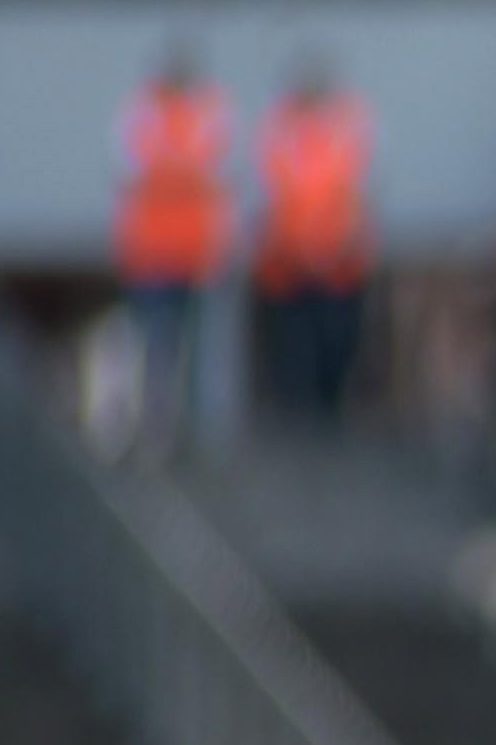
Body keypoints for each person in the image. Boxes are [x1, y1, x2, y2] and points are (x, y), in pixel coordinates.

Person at [114, 51, 233, 454]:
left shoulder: (208, 113)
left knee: (196, 349)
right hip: (152, 254)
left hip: (196, 254)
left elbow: (220, 173)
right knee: (155, 342)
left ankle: (195, 428)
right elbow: (131, 170)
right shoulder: (144, 112)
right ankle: (154, 424)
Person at [253, 65, 376, 430]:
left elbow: (362, 190)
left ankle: (328, 412)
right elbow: (270, 192)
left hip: (339, 264)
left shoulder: (349, 126)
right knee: (294, 344)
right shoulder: (280, 128)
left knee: (337, 340)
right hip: (290, 265)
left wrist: (343, 244)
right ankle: (298, 416)